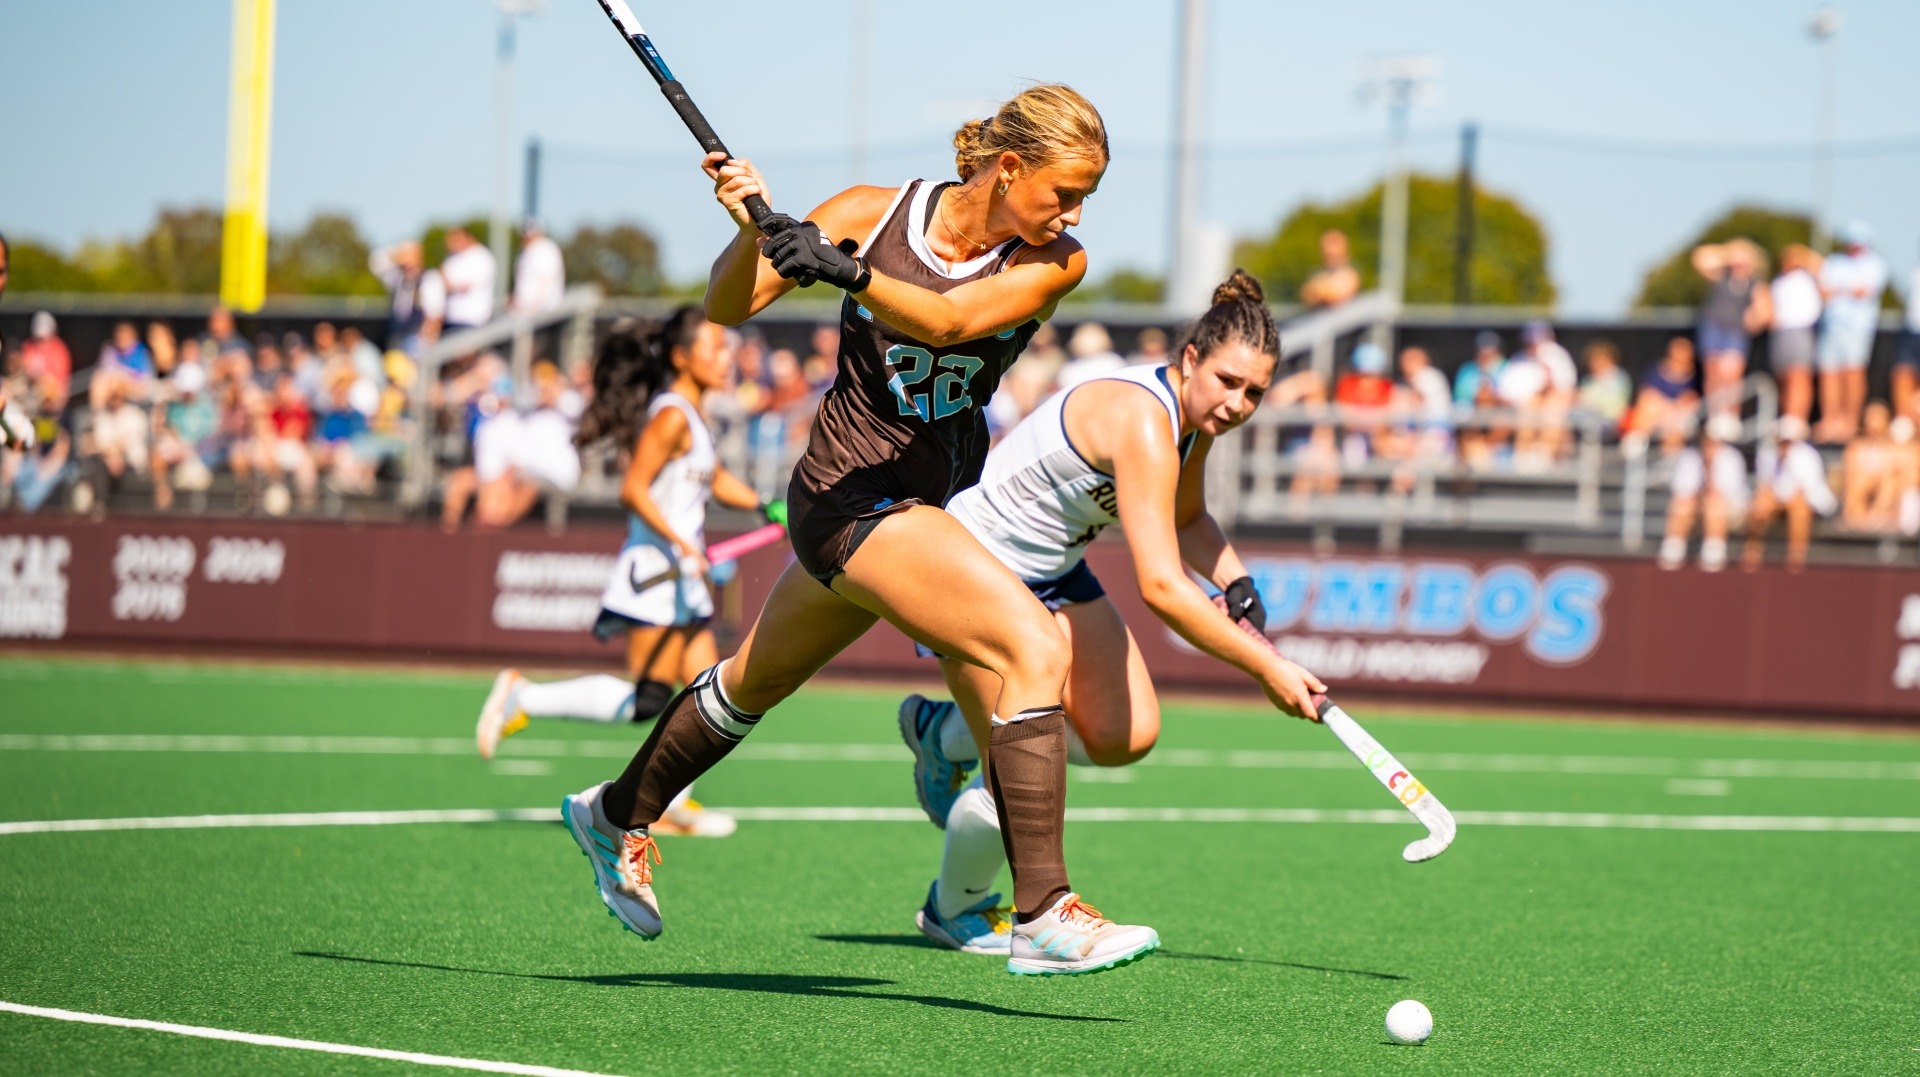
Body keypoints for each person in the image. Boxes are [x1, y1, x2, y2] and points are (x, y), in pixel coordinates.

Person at [557, 84, 1160, 976]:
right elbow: (728, 306)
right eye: (1064, 192)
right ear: (1008, 167)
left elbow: (951, 318)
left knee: (746, 686)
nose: (1074, 216)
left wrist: (844, 272)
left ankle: (613, 814)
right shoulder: (867, 216)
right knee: (1033, 650)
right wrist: (748, 230)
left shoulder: (1053, 262)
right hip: (852, 500)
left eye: (1085, 199)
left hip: (921, 506)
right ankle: (1044, 911)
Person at [889, 273, 1325, 953]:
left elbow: (1186, 516)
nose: (1239, 403)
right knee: (1029, 778)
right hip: (970, 568)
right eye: (1229, 382)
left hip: (1055, 570)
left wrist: (1234, 578)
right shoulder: (1143, 420)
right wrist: (1267, 666)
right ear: (1190, 360)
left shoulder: (1193, 421)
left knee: (1127, 736)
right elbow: (1160, 585)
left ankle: (943, 732)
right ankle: (954, 907)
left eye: (1255, 393)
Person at [477, 312, 772, 837]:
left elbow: (714, 477)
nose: (727, 356)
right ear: (682, 357)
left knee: (708, 688)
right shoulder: (672, 417)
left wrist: (765, 505)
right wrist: (682, 543)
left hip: (682, 577)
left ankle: (674, 801)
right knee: (649, 701)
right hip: (654, 574)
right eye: (715, 346)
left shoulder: (693, 416)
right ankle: (524, 697)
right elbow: (632, 489)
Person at [1816, 221, 1888, 442]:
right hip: (1831, 325)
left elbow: (1864, 291)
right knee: (1829, 373)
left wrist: (1839, 289)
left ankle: (1849, 421)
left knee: (1851, 372)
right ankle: (1831, 420)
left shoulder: (1875, 263)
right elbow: (1825, 291)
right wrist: (1846, 289)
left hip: (1857, 327)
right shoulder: (1834, 262)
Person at [1741, 416, 1835, 572]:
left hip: (1809, 501)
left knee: (1798, 508)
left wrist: (1779, 498)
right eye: (1781, 440)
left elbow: (1804, 491)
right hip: (1781, 500)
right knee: (1759, 505)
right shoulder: (1768, 455)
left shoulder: (1807, 456)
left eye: (1787, 441)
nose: (1784, 445)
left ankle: (1796, 557)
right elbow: (1765, 486)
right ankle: (1752, 552)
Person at [1690, 239, 1771, 416]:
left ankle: (1731, 415)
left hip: (1736, 332)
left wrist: (1755, 318)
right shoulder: (1720, 276)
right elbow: (1699, 258)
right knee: (1714, 374)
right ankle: (1716, 415)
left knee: (1732, 375)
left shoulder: (1754, 283)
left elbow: (1764, 310)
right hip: (1713, 329)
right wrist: (1729, 253)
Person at [1659, 414, 1747, 572]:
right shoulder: (1690, 457)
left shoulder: (1731, 458)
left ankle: (1713, 552)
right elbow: (1682, 492)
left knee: (1714, 504)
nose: (1709, 445)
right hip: (1698, 506)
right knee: (1682, 504)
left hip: (1730, 509)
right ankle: (1673, 550)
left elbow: (1728, 495)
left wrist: (1710, 471)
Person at [1769, 244, 1823, 425]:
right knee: (1783, 377)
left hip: (1801, 331)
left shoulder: (1808, 277)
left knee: (1798, 376)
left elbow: (1822, 264)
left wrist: (1802, 254)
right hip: (1780, 333)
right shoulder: (1778, 280)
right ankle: (1787, 418)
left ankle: (1797, 419)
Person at [369, 240, 447, 354]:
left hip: (417, 341)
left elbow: (435, 314)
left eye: (408, 254)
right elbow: (376, 262)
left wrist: (426, 342)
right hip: (396, 337)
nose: (406, 260)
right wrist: (395, 254)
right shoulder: (397, 277)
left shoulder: (429, 278)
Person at [1631, 336, 1701, 456]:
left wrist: (1672, 409)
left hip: (1678, 418)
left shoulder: (1695, 377)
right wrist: (1666, 407)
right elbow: (1646, 396)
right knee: (1647, 409)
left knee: (1676, 423)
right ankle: (1637, 445)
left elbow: (1691, 400)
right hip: (1658, 415)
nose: (1677, 361)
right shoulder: (1655, 372)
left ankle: (1669, 461)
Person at [440, 226, 497, 332]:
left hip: (473, 319)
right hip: (451, 318)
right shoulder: (451, 258)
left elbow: (465, 286)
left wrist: (449, 286)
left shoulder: (481, 256)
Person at [512, 219, 567, 317]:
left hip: (542, 311)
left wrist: (536, 305)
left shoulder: (545, 249)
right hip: (527, 310)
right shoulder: (528, 250)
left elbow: (546, 279)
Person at [1575, 340, 1632, 428]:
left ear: (1609, 359)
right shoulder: (1587, 380)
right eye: (1593, 360)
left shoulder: (1619, 377)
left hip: (1611, 420)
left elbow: (1615, 405)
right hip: (1586, 416)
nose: (1596, 364)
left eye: (1600, 359)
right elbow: (1581, 400)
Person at [1300, 229, 1359, 309]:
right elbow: (1306, 294)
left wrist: (1319, 291)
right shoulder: (1319, 273)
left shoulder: (1350, 273)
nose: (1330, 252)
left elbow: (1335, 295)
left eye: (1334, 244)